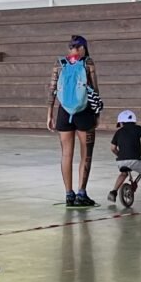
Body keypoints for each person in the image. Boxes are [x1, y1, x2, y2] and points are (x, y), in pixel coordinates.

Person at [48, 34, 100, 207]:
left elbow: (53, 89)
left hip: (64, 112)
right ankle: (81, 193)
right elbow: (95, 90)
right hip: (84, 112)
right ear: (83, 48)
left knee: (66, 154)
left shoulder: (60, 63)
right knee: (86, 155)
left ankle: (68, 194)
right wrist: (97, 114)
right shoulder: (88, 63)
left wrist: (50, 113)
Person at [108, 110, 141, 206]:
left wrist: (121, 155)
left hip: (120, 161)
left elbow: (113, 148)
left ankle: (113, 192)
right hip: (134, 160)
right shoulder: (137, 128)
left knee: (124, 173)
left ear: (121, 122)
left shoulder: (118, 132)